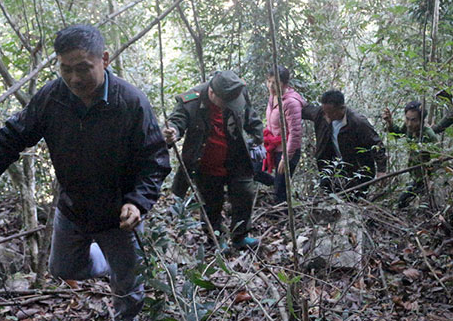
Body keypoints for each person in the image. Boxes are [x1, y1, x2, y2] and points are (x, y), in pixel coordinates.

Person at [0, 24, 171, 321]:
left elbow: (154, 160)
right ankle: (111, 261)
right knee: (63, 269)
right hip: (73, 209)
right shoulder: (53, 96)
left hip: (119, 214)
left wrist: (137, 202)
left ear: (104, 59)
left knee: (129, 281)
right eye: (66, 69)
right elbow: (16, 134)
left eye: (83, 68)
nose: (74, 78)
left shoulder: (130, 102)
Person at [163, 70, 263, 250]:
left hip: (236, 159)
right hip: (206, 164)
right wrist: (173, 133)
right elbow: (177, 121)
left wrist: (257, 138)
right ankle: (216, 239)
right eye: (225, 103)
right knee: (211, 204)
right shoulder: (191, 101)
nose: (229, 106)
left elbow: (250, 116)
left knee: (245, 195)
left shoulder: (238, 93)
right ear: (211, 93)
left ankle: (240, 237)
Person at [302, 90, 386, 194]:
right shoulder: (321, 114)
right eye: (325, 112)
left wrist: (382, 170)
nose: (326, 116)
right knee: (329, 194)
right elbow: (303, 110)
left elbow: (376, 144)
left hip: (358, 170)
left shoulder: (358, 122)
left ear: (342, 108)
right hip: (333, 168)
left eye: (330, 113)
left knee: (353, 199)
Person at [258, 65, 305, 203]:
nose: (271, 86)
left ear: (284, 83)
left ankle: (283, 218)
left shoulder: (291, 103)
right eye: (269, 81)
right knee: (253, 169)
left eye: (275, 82)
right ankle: (276, 183)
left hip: (287, 151)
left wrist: (286, 158)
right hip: (271, 146)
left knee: (280, 194)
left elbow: (295, 134)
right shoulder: (272, 97)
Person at [382, 100, 438, 208]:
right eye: (407, 119)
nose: (409, 124)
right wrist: (390, 122)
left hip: (426, 180)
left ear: (421, 120)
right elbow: (398, 133)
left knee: (402, 203)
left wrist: (430, 178)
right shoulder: (408, 128)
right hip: (415, 177)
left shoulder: (429, 135)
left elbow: (438, 159)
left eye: (413, 120)